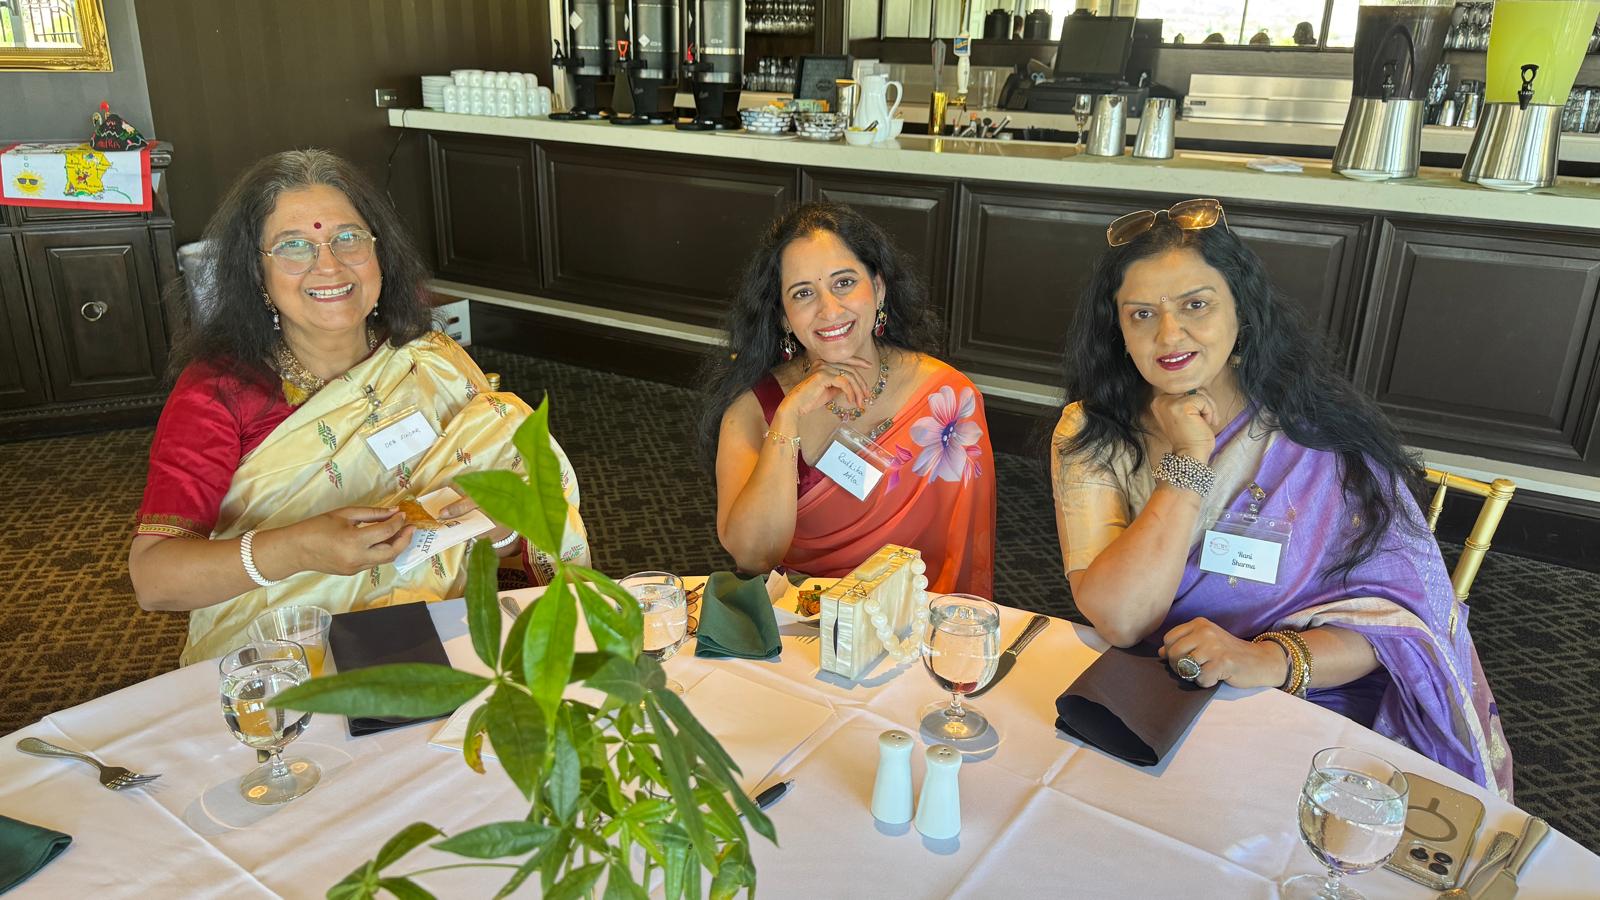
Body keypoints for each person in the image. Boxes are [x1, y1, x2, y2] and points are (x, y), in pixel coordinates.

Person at [1050, 199, 1512, 796]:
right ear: (1119, 331)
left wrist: (1265, 660)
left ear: (1241, 311)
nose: (1169, 334)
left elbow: (1400, 628)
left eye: (1196, 305)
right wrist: (1189, 461)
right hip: (1152, 694)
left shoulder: (1319, 435)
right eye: (1142, 314)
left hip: (1310, 702)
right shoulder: (1092, 432)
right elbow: (1122, 619)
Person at [129, 149, 588, 665]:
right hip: (292, 653)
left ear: (379, 254)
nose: (328, 265)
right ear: (256, 273)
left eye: (348, 238)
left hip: (445, 629)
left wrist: (500, 526)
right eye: (294, 246)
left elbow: (506, 547)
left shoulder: (429, 359)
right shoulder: (221, 392)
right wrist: (297, 549)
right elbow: (154, 579)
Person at [703, 202, 996, 595]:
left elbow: (962, 557)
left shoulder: (949, 400)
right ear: (784, 317)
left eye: (843, 283)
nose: (829, 309)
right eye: (803, 293)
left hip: (912, 618)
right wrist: (788, 418)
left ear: (878, 289)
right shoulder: (755, 411)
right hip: (803, 617)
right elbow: (753, 557)